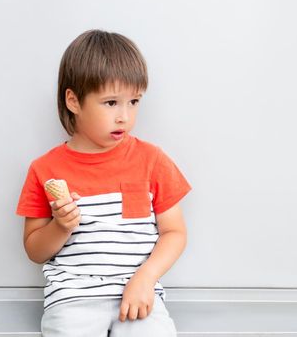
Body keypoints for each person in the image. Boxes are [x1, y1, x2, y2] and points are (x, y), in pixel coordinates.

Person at [16, 29, 191, 336]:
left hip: (139, 295)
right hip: (72, 300)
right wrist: (60, 226)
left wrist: (145, 278)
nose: (125, 116)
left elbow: (174, 232)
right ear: (73, 100)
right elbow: (35, 250)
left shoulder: (153, 160)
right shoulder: (45, 169)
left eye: (134, 101)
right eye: (111, 103)